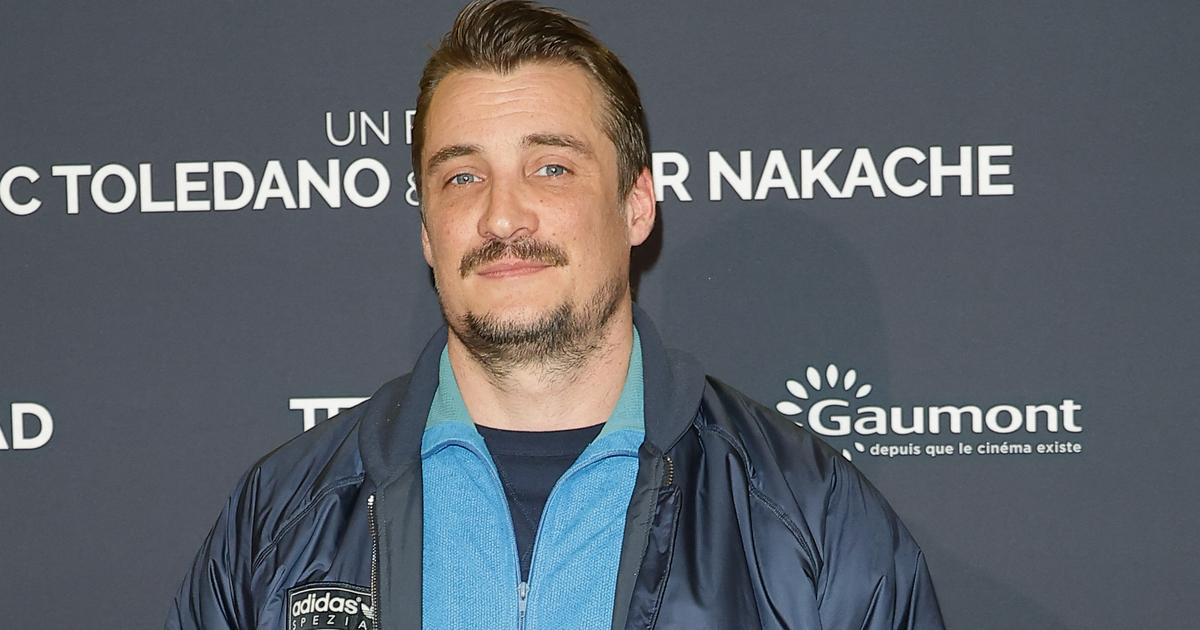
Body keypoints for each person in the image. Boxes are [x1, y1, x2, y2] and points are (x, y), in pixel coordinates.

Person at [166, 1, 945, 628]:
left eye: (551, 168)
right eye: (462, 177)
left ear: (636, 205)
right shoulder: (280, 520)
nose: (503, 216)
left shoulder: (809, 522)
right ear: (427, 230)